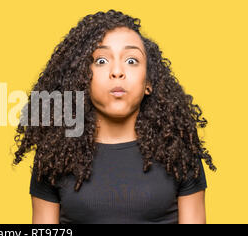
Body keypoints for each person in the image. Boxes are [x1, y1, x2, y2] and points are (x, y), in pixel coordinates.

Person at [12, 9, 217, 224]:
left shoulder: (180, 153)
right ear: (82, 79)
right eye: (101, 61)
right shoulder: (53, 157)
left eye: (131, 61)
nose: (117, 71)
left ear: (149, 83)